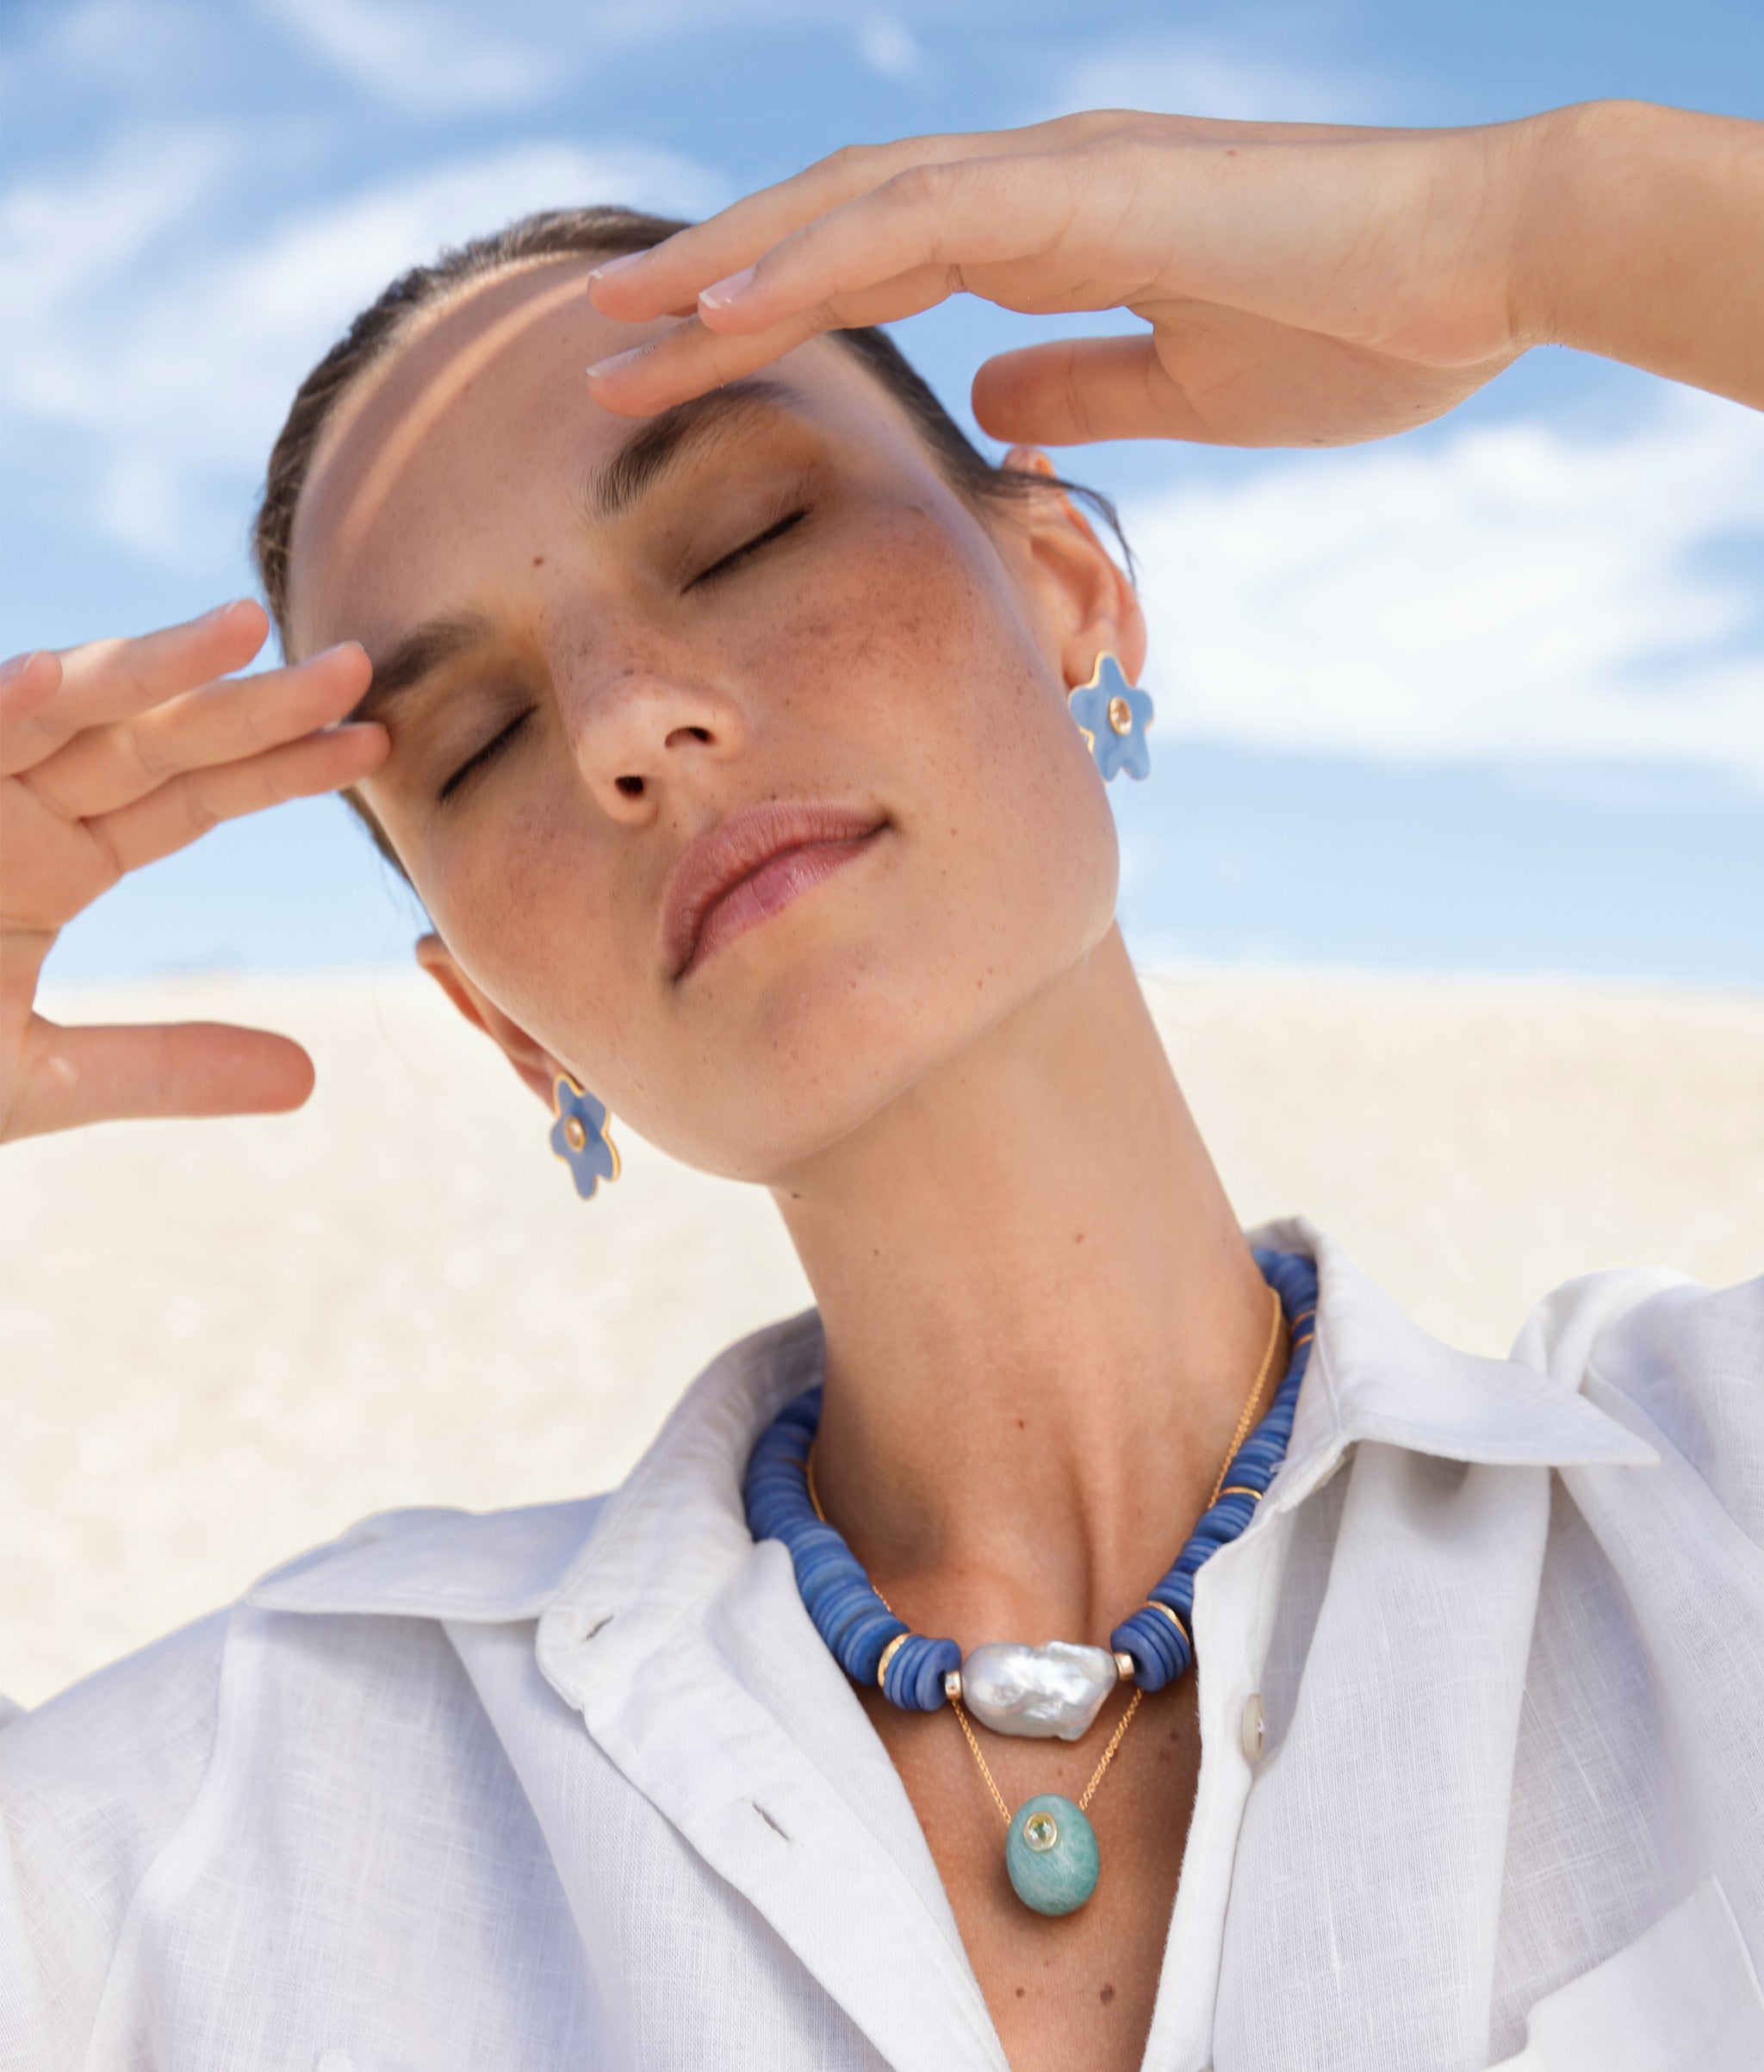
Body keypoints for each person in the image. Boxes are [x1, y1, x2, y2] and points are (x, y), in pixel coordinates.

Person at [2, 102, 1761, 2072]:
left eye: (746, 533)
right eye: (481, 737)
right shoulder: (249, 1816)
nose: (624, 727)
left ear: (1069, 595)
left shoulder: (1709, 1502)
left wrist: (1544, 219)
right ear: (503, 1025)